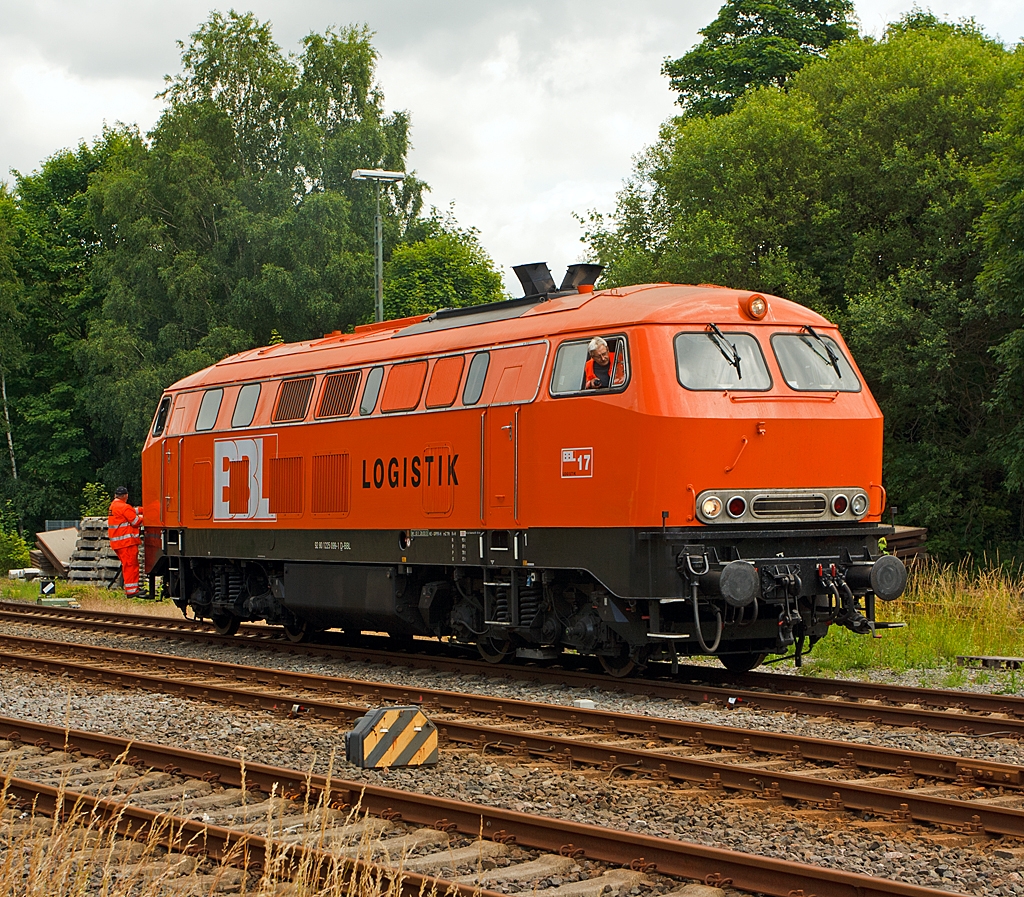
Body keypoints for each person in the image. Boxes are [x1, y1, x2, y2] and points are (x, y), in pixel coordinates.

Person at [108, 486, 145, 598]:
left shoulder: (114, 506)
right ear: (126, 496)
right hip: (126, 543)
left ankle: (132, 589)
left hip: (118, 543)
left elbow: (132, 511)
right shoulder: (124, 507)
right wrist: (145, 516)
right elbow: (136, 521)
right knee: (131, 565)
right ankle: (132, 590)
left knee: (127, 565)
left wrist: (144, 509)